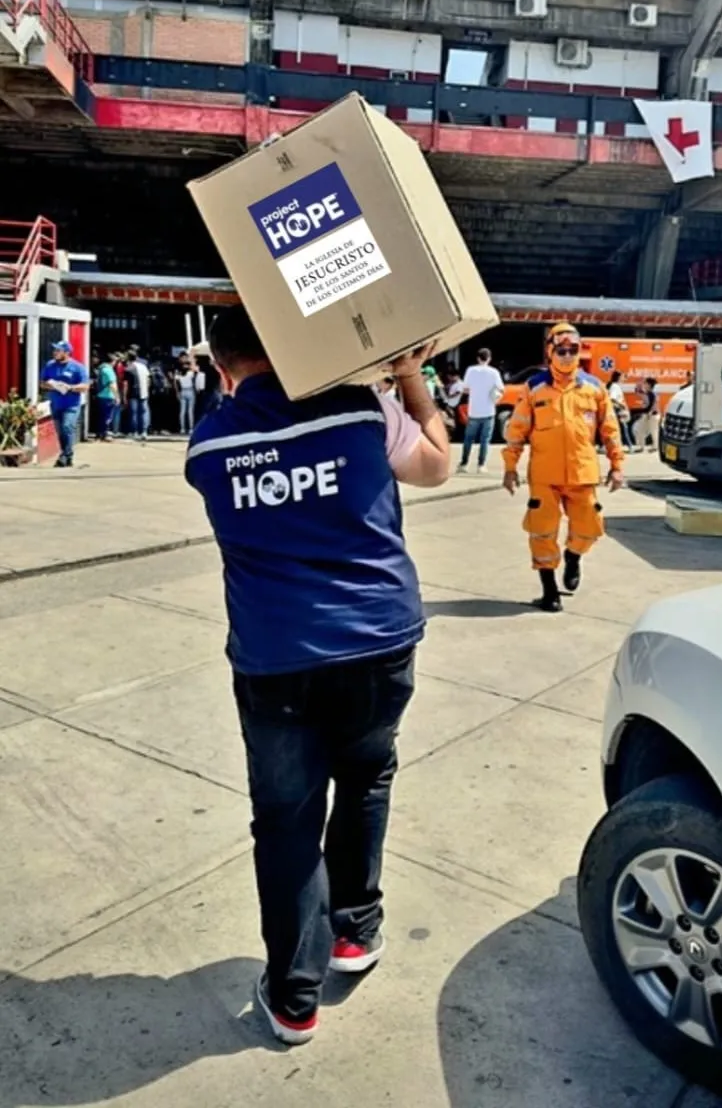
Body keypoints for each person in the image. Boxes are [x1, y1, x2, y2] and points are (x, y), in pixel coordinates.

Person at [184, 306, 450, 1046]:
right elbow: (436, 465)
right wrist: (406, 375)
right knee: (365, 777)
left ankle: (294, 998)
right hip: (377, 641)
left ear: (218, 367)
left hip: (277, 658)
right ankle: (354, 931)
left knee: (286, 820)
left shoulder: (206, 446)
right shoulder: (363, 410)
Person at [502, 322, 625, 613]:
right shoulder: (534, 388)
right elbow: (517, 429)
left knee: (589, 529)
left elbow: (610, 429)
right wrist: (510, 466)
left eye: (573, 350)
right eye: (562, 350)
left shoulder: (595, 388)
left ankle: (573, 557)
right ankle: (549, 591)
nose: (568, 356)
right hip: (544, 476)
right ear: (550, 352)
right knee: (542, 532)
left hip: (583, 473)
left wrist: (617, 465)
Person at [40, 340, 89, 467]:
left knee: (67, 427)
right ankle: (67, 454)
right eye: (54, 350)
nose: (54, 353)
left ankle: (64, 455)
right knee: (60, 431)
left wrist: (70, 387)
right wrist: (54, 386)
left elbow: (85, 386)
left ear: (66, 353)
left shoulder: (78, 367)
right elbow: (42, 383)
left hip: (71, 404)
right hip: (56, 404)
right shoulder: (50, 365)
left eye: (58, 350)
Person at [457, 347, 504, 474]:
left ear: (478, 358)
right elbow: (501, 389)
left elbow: (465, 389)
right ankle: (481, 465)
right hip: (489, 410)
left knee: (468, 438)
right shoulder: (494, 372)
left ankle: (464, 463)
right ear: (489, 359)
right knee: (485, 440)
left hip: (474, 410)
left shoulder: (471, 370)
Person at [125, 349, 151, 440]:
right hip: (144, 393)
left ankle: (135, 432)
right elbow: (148, 380)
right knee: (144, 412)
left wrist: (124, 396)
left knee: (134, 413)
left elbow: (126, 384)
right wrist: (146, 390)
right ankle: (144, 431)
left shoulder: (128, 368)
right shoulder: (143, 366)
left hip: (132, 393)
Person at [95, 353, 120, 441]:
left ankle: (100, 433)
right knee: (107, 416)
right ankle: (105, 434)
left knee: (101, 416)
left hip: (100, 395)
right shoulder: (109, 370)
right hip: (108, 395)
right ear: (112, 361)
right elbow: (112, 385)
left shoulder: (101, 369)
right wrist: (117, 397)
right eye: (115, 362)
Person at [607, 369, 634, 451]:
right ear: (618, 377)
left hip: (617, 410)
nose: (624, 378)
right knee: (623, 428)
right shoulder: (615, 386)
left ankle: (628, 446)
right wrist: (621, 405)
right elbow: (612, 398)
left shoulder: (615, 386)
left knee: (620, 428)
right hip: (617, 410)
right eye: (622, 377)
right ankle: (630, 446)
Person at [633, 376, 659, 451]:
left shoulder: (652, 394)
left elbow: (651, 406)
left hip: (652, 415)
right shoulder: (648, 393)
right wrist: (640, 382)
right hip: (648, 415)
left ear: (649, 385)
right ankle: (642, 447)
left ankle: (654, 447)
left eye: (645, 383)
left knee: (653, 431)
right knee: (640, 429)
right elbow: (637, 391)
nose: (644, 384)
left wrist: (646, 413)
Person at [174, 356, 199, 435]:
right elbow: (195, 377)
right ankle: (191, 428)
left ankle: (182, 428)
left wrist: (177, 392)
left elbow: (175, 383)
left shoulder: (178, 373)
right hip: (190, 390)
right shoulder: (190, 373)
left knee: (182, 411)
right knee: (190, 411)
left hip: (183, 391)